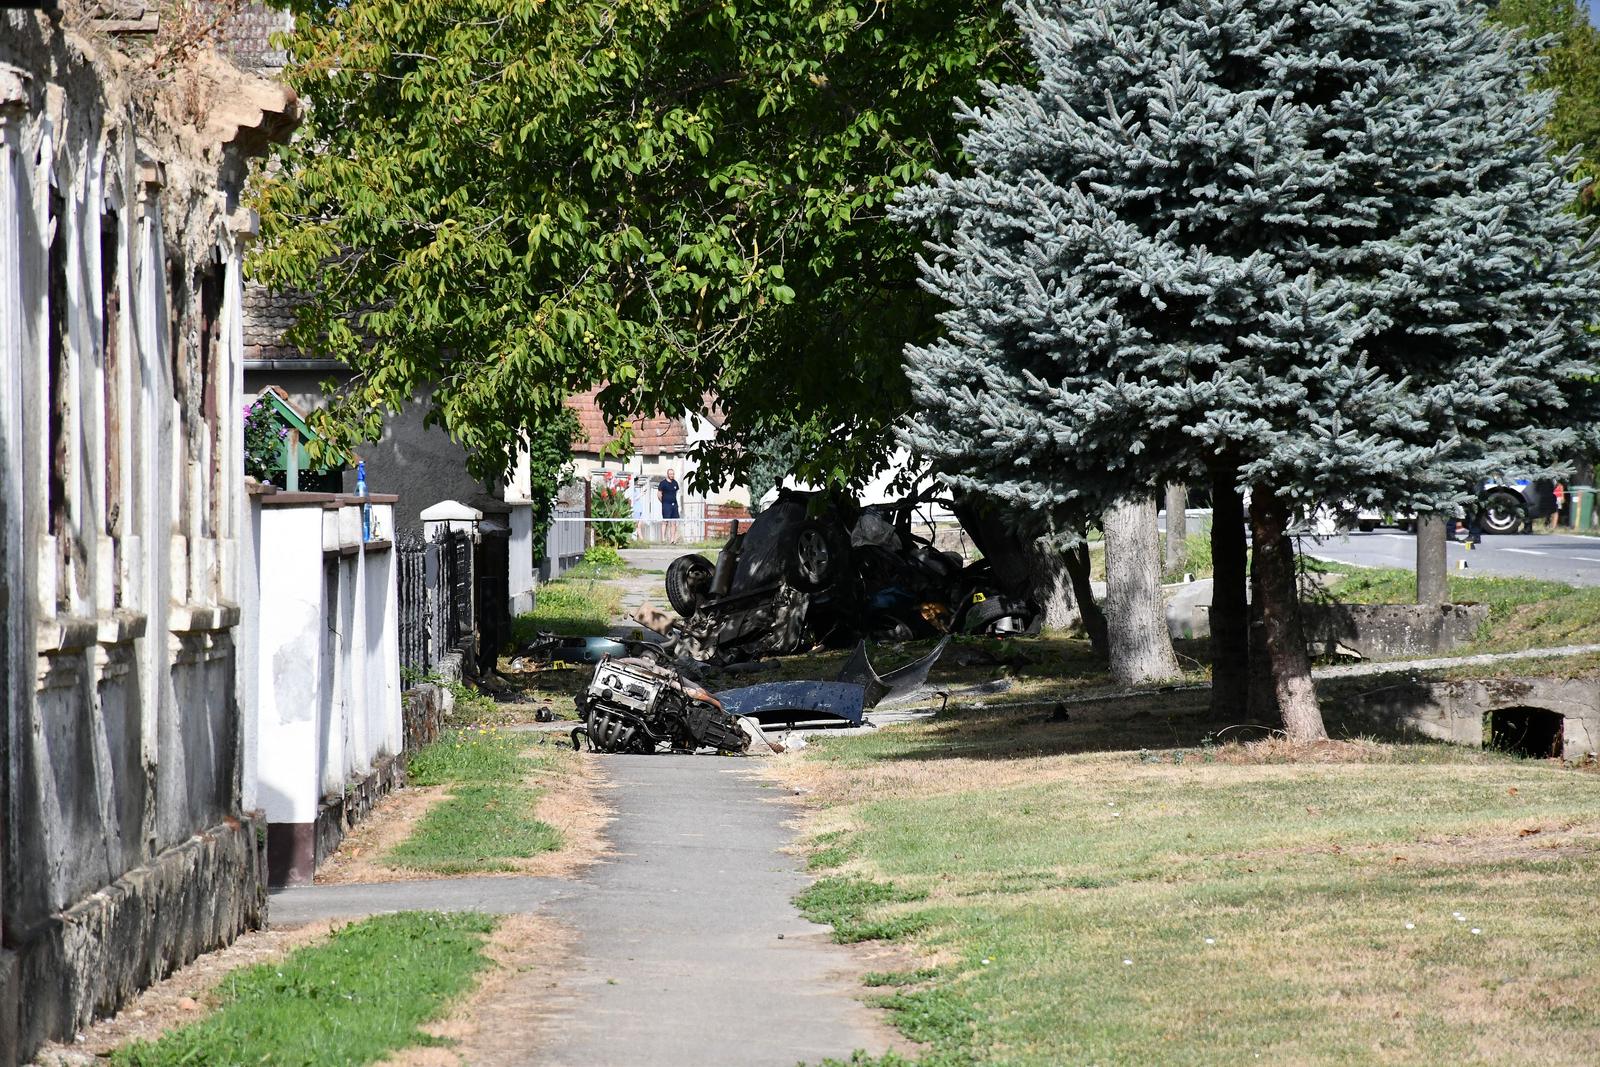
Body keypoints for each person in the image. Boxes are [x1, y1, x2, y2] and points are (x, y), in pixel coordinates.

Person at [658, 468, 681, 543]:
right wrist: (663, 502)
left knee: (673, 522)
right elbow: (659, 494)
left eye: (673, 474)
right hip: (666, 505)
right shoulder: (663, 483)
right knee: (665, 521)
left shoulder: (675, 483)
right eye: (671, 474)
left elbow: (676, 493)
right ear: (667, 474)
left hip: (674, 505)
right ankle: (663, 539)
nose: (672, 475)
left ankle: (672, 539)